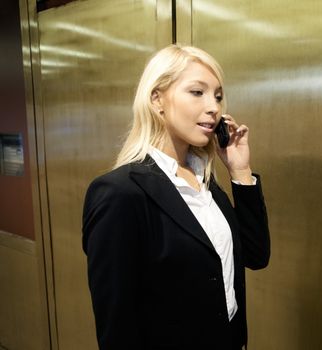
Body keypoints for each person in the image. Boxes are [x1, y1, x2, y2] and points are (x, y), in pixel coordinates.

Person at [82, 44, 270, 350]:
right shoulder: (120, 194)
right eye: (197, 92)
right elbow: (117, 326)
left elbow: (256, 256)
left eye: (218, 96)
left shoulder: (206, 182)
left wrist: (241, 170)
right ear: (157, 99)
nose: (213, 107)